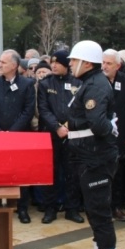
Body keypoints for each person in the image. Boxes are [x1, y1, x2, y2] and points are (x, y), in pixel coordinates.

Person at [64, 40, 120, 249]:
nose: (70, 64)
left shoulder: (95, 85)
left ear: (87, 63)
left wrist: (110, 130)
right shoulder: (90, 82)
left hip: (95, 157)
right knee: (94, 210)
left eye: (74, 60)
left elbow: (97, 123)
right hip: (88, 155)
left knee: (100, 212)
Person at [0, 49, 36, 223]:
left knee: (21, 173)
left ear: (14, 65)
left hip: (19, 136)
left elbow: (28, 111)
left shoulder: (27, 84)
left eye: (3, 62)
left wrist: (12, 133)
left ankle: (22, 208)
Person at [37, 50, 85, 224]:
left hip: (72, 134)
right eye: (52, 62)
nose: (54, 65)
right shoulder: (45, 83)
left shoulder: (78, 83)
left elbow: (81, 108)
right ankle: (50, 208)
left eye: (58, 62)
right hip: (51, 134)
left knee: (72, 173)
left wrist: (69, 125)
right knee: (51, 172)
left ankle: (72, 208)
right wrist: (56, 127)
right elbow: (43, 109)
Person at [101, 49, 125, 222]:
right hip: (100, 135)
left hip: (120, 134)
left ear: (118, 65)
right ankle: (102, 207)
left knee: (119, 173)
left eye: (109, 63)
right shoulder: (96, 81)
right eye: (103, 63)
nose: (105, 66)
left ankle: (117, 206)